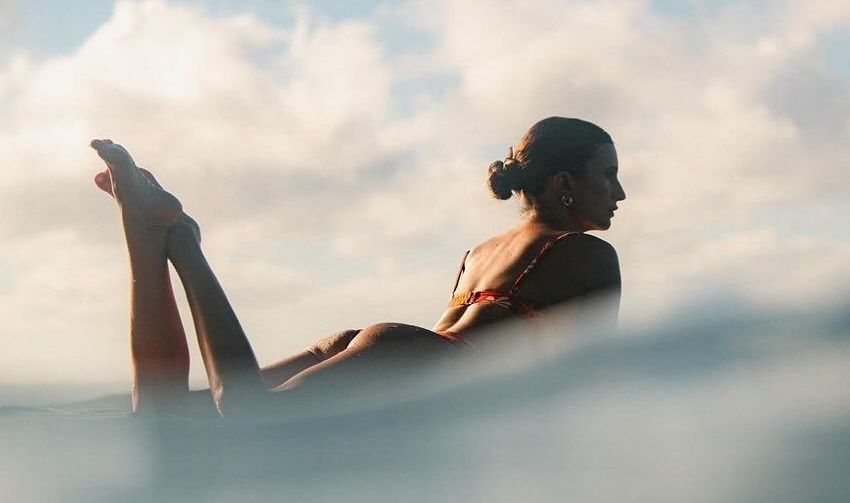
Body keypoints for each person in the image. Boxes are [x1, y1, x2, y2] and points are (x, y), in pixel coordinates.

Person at [91, 116, 626, 417]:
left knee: (166, 416)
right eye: (609, 175)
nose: (620, 193)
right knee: (247, 414)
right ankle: (182, 240)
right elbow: (591, 387)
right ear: (563, 184)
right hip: (414, 357)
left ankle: (143, 230)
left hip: (382, 346)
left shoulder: (480, 252)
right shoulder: (590, 255)